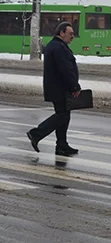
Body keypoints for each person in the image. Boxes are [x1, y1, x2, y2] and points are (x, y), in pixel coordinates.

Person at [26, 21, 81, 156]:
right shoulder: (59, 48)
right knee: (62, 115)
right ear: (61, 33)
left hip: (56, 87)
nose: (72, 36)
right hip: (60, 88)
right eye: (70, 34)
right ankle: (36, 133)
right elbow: (65, 69)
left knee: (64, 115)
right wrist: (74, 86)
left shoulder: (54, 45)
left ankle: (61, 145)